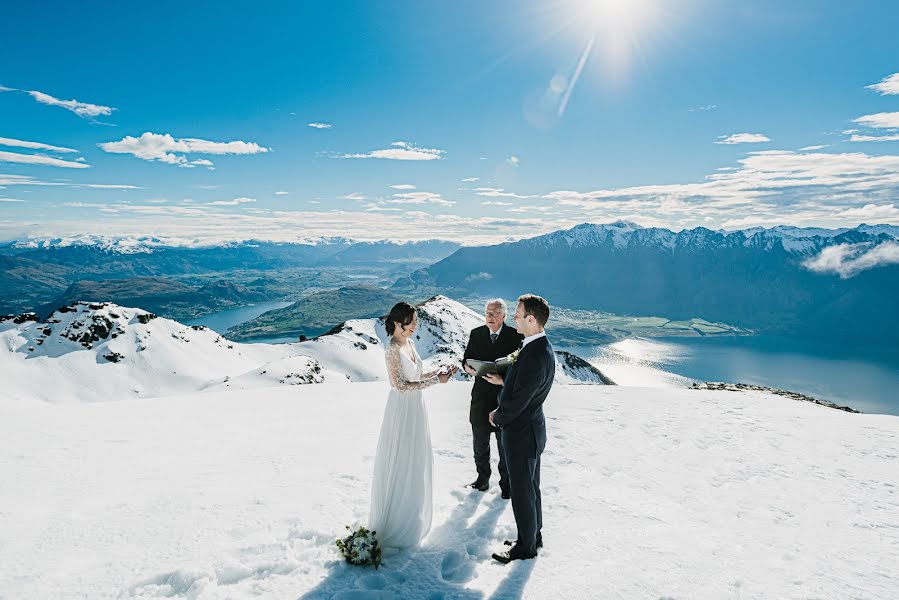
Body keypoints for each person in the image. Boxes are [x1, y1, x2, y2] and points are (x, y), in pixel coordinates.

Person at [368, 302, 457, 548]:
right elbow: (400, 386)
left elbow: (415, 375)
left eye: (415, 321)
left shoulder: (410, 344)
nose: (415, 326)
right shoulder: (393, 349)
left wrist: (438, 373)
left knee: (416, 459)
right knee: (402, 459)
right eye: (411, 321)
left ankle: (413, 515)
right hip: (402, 409)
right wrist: (435, 383)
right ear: (398, 323)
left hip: (416, 408)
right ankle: (397, 521)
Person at [484, 294, 554, 563]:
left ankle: (525, 547)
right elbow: (525, 389)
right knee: (531, 487)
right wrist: (505, 381)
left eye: (517, 312)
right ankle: (533, 536)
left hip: (522, 434)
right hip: (532, 430)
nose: (513, 316)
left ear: (531, 319)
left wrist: (498, 416)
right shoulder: (538, 347)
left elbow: (518, 403)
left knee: (522, 490)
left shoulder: (534, 356)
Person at [462, 299, 523, 498]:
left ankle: (507, 485)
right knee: (480, 445)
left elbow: (520, 370)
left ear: (504, 316)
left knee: (504, 448)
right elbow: (466, 358)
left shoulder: (515, 336)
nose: (490, 317)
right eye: (488, 313)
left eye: (494, 313)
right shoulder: (476, 334)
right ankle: (482, 479)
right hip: (479, 399)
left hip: (502, 400)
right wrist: (467, 367)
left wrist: (502, 380)